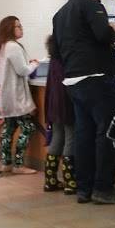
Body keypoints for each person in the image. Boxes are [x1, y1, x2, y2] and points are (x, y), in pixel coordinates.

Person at [52, 0, 115, 204]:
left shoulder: (60, 14)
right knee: (106, 132)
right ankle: (103, 187)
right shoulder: (91, 5)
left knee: (83, 134)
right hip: (97, 78)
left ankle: (83, 187)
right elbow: (103, 35)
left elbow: (56, 51)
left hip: (73, 81)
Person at [0, 16, 39, 175]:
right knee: (27, 128)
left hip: (6, 96)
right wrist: (34, 64)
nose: (21, 28)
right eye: (18, 26)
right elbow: (22, 70)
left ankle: (6, 163)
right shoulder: (13, 46)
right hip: (16, 97)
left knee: (8, 129)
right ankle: (19, 164)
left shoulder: (3, 46)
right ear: (10, 29)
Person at [43, 34, 76, 193]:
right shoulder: (68, 59)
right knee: (70, 138)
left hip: (54, 104)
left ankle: (50, 180)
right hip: (67, 103)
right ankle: (70, 182)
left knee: (57, 137)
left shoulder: (54, 60)